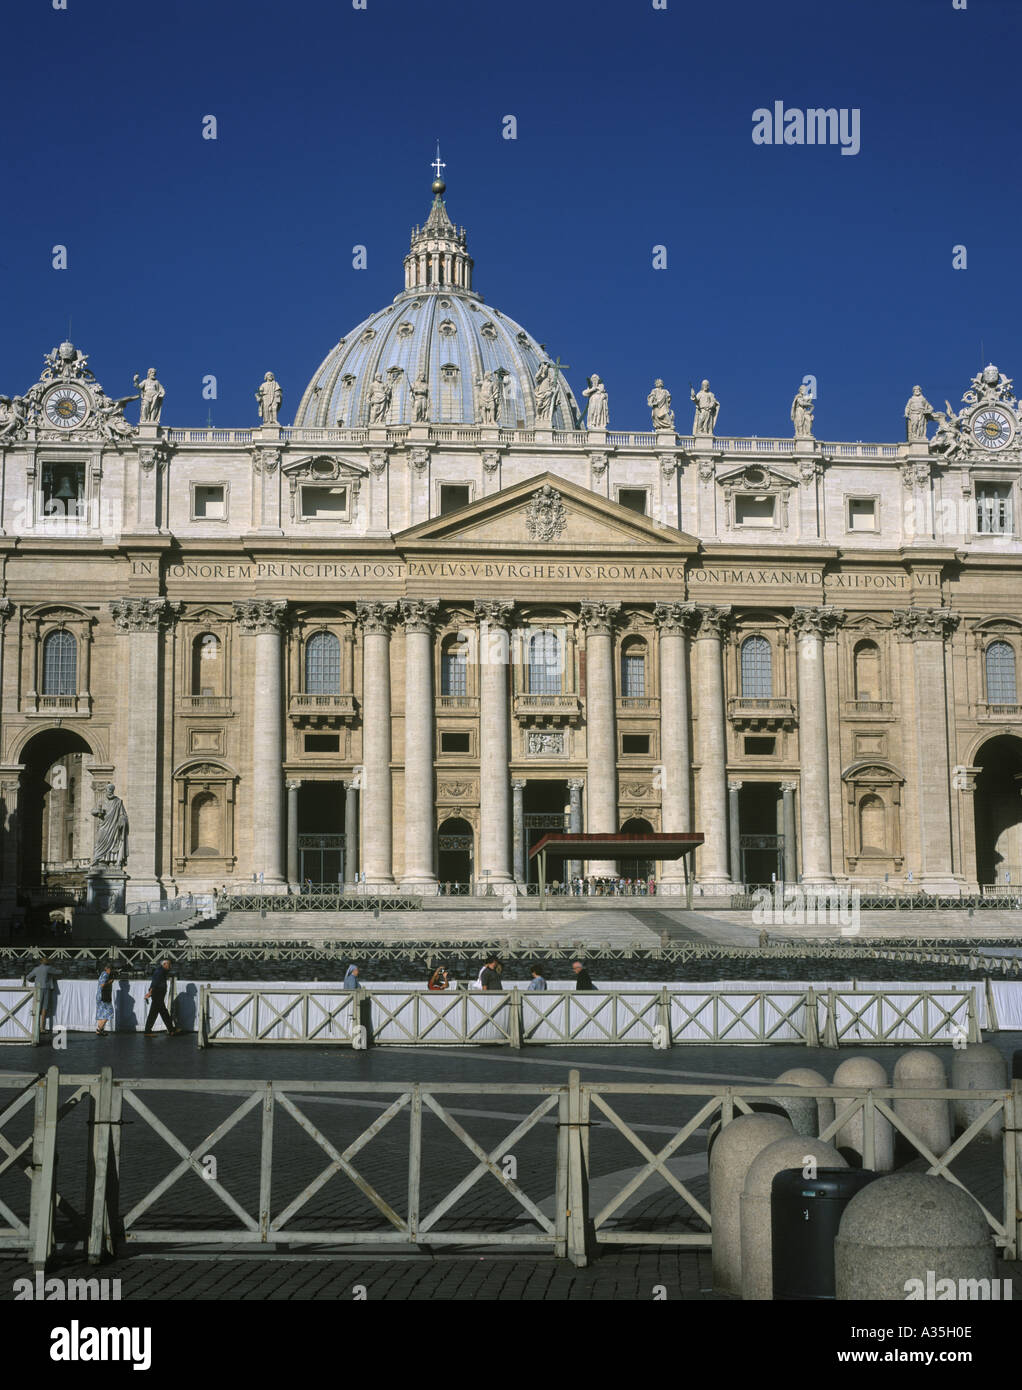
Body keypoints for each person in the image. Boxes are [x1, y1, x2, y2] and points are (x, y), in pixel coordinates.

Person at [144, 958, 181, 1035]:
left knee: (162, 1012)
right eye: (169, 964)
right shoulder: (159, 971)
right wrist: (150, 993)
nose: (170, 966)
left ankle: (171, 1030)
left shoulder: (162, 971)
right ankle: (148, 1031)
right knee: (157, 1013)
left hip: (159, 994)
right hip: (157, 994)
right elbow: (154, 983)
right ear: (164, 964)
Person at [25, 956, 60, 1031]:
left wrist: (35, 981)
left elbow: (28, 977)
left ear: (41, 962)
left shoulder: (36, 969)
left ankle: (36, 1027)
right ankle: (42, 1027)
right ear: (47, 962)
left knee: (38, 1007)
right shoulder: (48, 968)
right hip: (46, 989)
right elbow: (59, 972)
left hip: (37, 989)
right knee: (44, 1007)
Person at [95, 962, 115, 1035]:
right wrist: (110, 982)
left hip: (99, 995)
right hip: (104, 996)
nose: (110, 970)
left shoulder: (102, 973)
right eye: (110, 969)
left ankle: (100, 1030)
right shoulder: (106, 975)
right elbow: (103, 985)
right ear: (107, 969)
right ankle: (99, 1029)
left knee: (101, 1013)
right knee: (109, 1012)